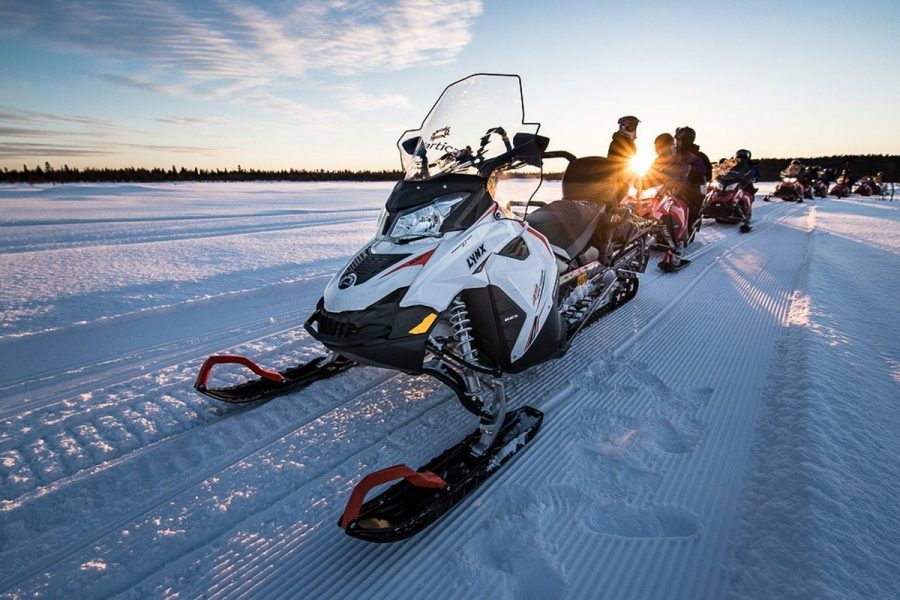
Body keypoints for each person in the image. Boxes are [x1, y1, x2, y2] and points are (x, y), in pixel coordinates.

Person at [674, 127, 710, 236]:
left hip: (692, 187)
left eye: (679, 139)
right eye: (676, 139)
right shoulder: (673, 154)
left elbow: (707, 173)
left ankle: (688, 227)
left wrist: (693, 174)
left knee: (690, 203)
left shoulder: (699, 156)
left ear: (687, 140)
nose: (677, 142)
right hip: (672, 185)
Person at [608, 116, 639, 201]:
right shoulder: (619, 141)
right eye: (631, 127)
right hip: (617, 178)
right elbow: (623, 162)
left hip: (623, 178)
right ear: (623, 127)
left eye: (634, 127)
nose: (633, 130)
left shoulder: (628, 142)